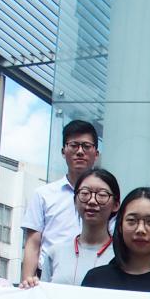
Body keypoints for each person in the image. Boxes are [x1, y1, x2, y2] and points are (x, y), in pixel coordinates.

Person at [20, 119, 99, 284]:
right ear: (63, 151)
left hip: (94, 278)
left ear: (96, 153)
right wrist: (27, 281)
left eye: (86, 146)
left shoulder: (106, 198)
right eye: (74, 145)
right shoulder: (43, 195)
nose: (80, 151)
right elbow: (33, 244)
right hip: (49, 278)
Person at [25, 167, 118, 287]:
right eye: (85, 193)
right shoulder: (55, 252)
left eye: (102, 195)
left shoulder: (122, 256)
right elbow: (44, 296)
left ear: (116, 205)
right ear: (75, 201)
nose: (92, 201)